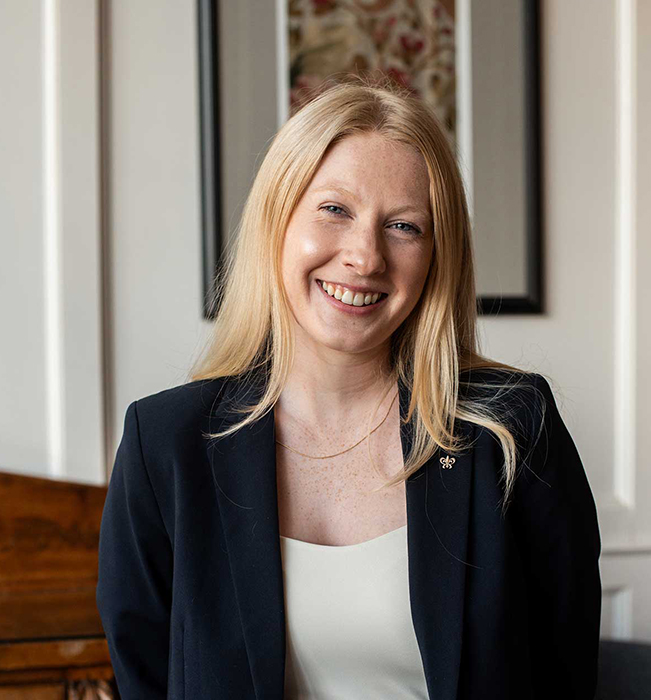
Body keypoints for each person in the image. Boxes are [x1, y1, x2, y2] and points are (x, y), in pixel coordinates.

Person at [96, 74, 602, 700]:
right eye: (335, 210)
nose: (366, 257)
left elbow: (565, 675)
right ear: (277, 218)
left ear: (437, 256)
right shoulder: (164, 444)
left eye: (405, 227)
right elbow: (144, 675)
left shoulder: (512, 428)